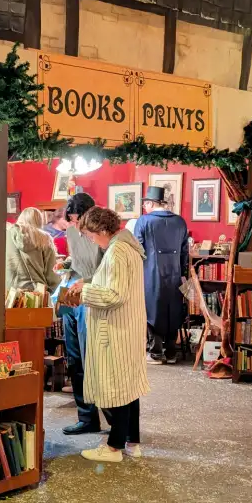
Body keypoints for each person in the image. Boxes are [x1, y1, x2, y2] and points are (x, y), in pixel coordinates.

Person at [66, 207, 150, 463]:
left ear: (102, 230)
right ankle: (131, 442)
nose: (92, 240)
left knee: (117, 389)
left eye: (92, 235)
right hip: (127, 326)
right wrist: (90, 284)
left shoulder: (117, 251)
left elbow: (114, 295)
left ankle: (114, 447)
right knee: (129, 387)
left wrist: (83, 294)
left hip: (116, 329)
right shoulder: (127, 247)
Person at [61, 193, 104, 435]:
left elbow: (104, 270)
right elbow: (76, 261)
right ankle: (86, 417)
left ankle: (113, 418)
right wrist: (66, 266)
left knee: (94, 360)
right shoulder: (70, 232)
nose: (75, 224)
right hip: (73, 296)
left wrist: (85, 281)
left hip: (92, 297)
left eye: (79, 219)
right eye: (72, 219)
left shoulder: (100, 236)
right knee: (75, 359)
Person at [135, 185, 189, 365]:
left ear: (151, 203)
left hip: (150, 272)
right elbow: (184, 252)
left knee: (152, 309)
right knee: (173, 309)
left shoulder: (144, 221)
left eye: (145, 204)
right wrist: (184, 274)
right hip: (175, 274)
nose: (144, 208)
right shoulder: (180, 221)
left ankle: (156, 352)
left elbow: (137, 250)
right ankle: (172, 352)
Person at [6, 207, 61, 293]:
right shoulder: (45, 239)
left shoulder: (5, 235)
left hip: (9, 293)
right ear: (39, 222)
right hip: (37, 293)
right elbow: (52, 274)